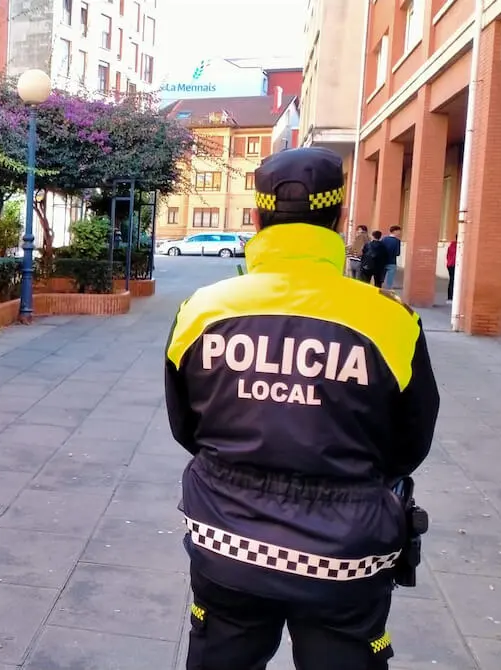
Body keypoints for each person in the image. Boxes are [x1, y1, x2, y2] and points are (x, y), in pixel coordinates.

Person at [164, 146, 440, 670]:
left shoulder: (201, 310)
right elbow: (410, 444)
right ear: (336, 219)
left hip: (228, 544)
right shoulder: (389, 321)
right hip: (346, 558)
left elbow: (186, 426)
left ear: (259, 217)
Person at [381, 226, 402, 290]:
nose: (400, 232)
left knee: (381, 278)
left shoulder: (384, 239)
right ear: (395, 231)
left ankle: (379, 289)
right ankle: (388, 291)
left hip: (383, 262)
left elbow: (380, 250)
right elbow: (397, 253)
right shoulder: (397, 241)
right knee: (389, 281)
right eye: (399, 231)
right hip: (392, 262)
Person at [446, 236, 458, 302]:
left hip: (449, 265)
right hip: (453, 265)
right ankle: (451, 297)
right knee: (453, 281)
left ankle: (450, 298)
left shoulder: (451, 245)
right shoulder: (457, 246)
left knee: (451, 280)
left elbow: (447, 256)